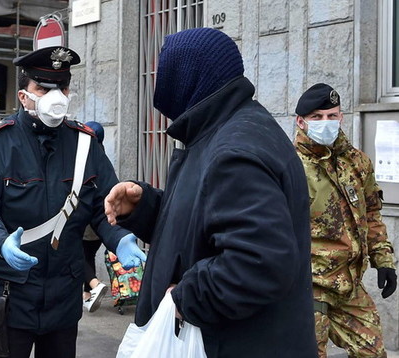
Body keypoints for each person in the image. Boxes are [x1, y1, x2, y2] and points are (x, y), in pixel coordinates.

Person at [104, 28, 318, 357]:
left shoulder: (233, 150)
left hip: (238, 344)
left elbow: (259, 262)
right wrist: (145, 205)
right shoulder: (222, 133)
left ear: (189, 77)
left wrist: (186, 297)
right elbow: (205, 224)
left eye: (165, 71)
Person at [0, 46, 146, 358]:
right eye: (43, 88)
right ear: (23, 95)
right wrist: (0, 241)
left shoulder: (85, 144)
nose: (54, 96)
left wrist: (120, 237)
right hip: (8, 292)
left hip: (63, 296)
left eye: (61, 87)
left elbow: (105, 206)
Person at [294, 83, 397, 358]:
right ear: (301, 122)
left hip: (348, 285)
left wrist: (384, 260)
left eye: (331, 115)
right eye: (317, 117)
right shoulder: (289, 165)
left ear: (341, 117)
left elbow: (372, 213)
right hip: (308, 287)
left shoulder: (356, 162)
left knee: (373, 352)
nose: (325, 123)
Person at [81, 121, 108, 313]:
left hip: (86, 218)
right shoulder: (103, 157)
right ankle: (86, 295)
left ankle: (95, 284)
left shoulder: (85, 158)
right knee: (88, 254)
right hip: (101, 220)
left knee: (78, 254)